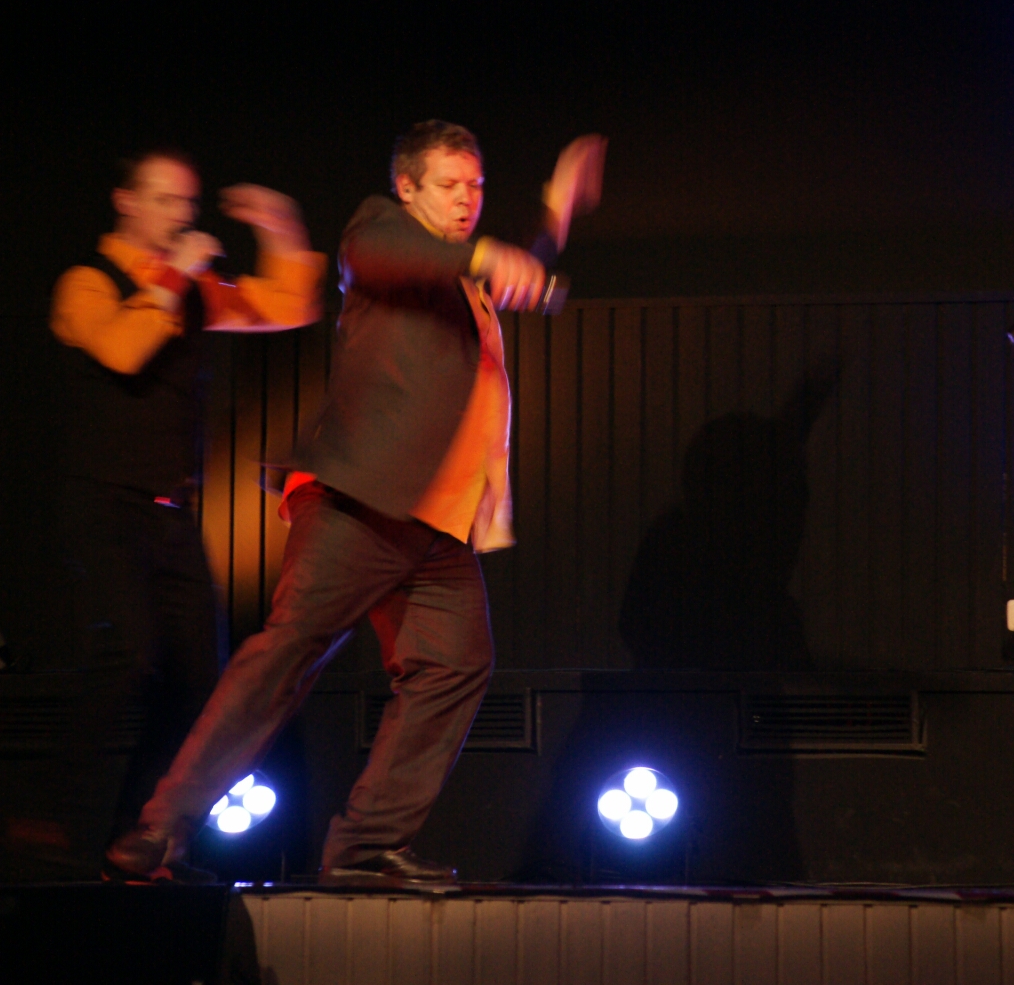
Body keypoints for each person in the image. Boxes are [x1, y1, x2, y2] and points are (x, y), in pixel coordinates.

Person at [106, 121, 606, 885]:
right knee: (285, 656)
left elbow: (511, 268)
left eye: (476, 186)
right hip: (359, 506)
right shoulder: (381, 234)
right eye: (449, 186)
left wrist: (553, 215)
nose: (467, 200)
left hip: (436, 528)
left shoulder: (460, 270)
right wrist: (487, 255)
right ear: (407, 188)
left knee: (455, 664)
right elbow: (393, 252)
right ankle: (160, 829)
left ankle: (368, 845)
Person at [41, 151, 325, 865]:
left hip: (171, 515)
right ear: (126, 202)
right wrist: (174, 276)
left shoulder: (190, 289)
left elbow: (290, 304)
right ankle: (55, 822)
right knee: (129, 656)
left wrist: (279, 226)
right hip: (105, 503)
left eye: (188, 203)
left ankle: (139, 838)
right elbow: (121, 350)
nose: (181, 215)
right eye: (165, 201)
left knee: (200, 684)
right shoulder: (87, 281)